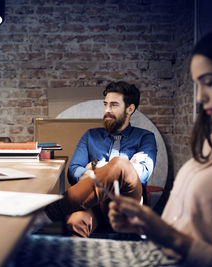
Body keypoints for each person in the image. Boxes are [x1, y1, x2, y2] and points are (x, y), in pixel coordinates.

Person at [107, 23, 212, 266]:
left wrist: (168, 236)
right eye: (198, 84)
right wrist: (145, 225)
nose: (199, 97)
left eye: (210, 82)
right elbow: (188, 227)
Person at [33, 81, 157, 238]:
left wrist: (98, 168)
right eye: (105, 104)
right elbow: (73, 171)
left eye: (113, 105)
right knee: (75, 222)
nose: (107, 110)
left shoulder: (145, 137)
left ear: (130, 109)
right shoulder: (91, 135)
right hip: (93, 204)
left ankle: (46, 215)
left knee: (120, 164)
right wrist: (111, 168)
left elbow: (142, 174)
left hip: (127, 205)